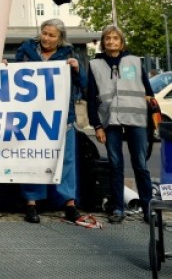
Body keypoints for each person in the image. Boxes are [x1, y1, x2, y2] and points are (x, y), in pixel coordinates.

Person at [13, 19, 86, 223]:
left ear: (60, 38)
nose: (46, 38)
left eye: (52, 35)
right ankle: (31, 203)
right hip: (32, 117)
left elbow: (84, 84)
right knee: (32, 157)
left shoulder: (70, 53)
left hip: (62, 116)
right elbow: (12, 78)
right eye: (44, 33)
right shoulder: (27, 50)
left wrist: (77, 68)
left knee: (67, 160)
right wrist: (5, 68)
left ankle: (69, 204)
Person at [86, 24, 155, 224]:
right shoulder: (95, 65)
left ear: (122, 42)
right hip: (110, 121)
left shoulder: (134, 61)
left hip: (137, 119)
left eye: (115, 38)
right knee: (116, 165)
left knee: (140, 165)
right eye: (107, 38)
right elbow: (91, 98)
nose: (111, 42)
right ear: (103, 42)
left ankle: (148, 207)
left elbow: (148, 92)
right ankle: (117, 208)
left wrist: (152, 118)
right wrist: (97, 125)